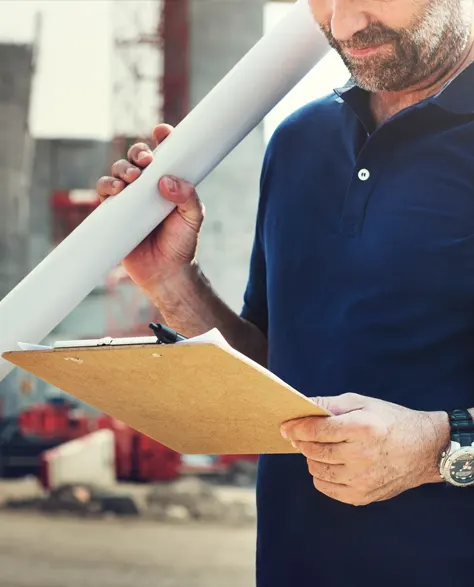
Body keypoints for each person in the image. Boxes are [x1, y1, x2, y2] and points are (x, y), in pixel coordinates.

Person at [96, 0, 474, 585]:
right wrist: (170, 279)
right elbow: (275, 371)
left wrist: (440, 449)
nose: (344, 25)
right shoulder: (300, 141)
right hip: (293, 563)